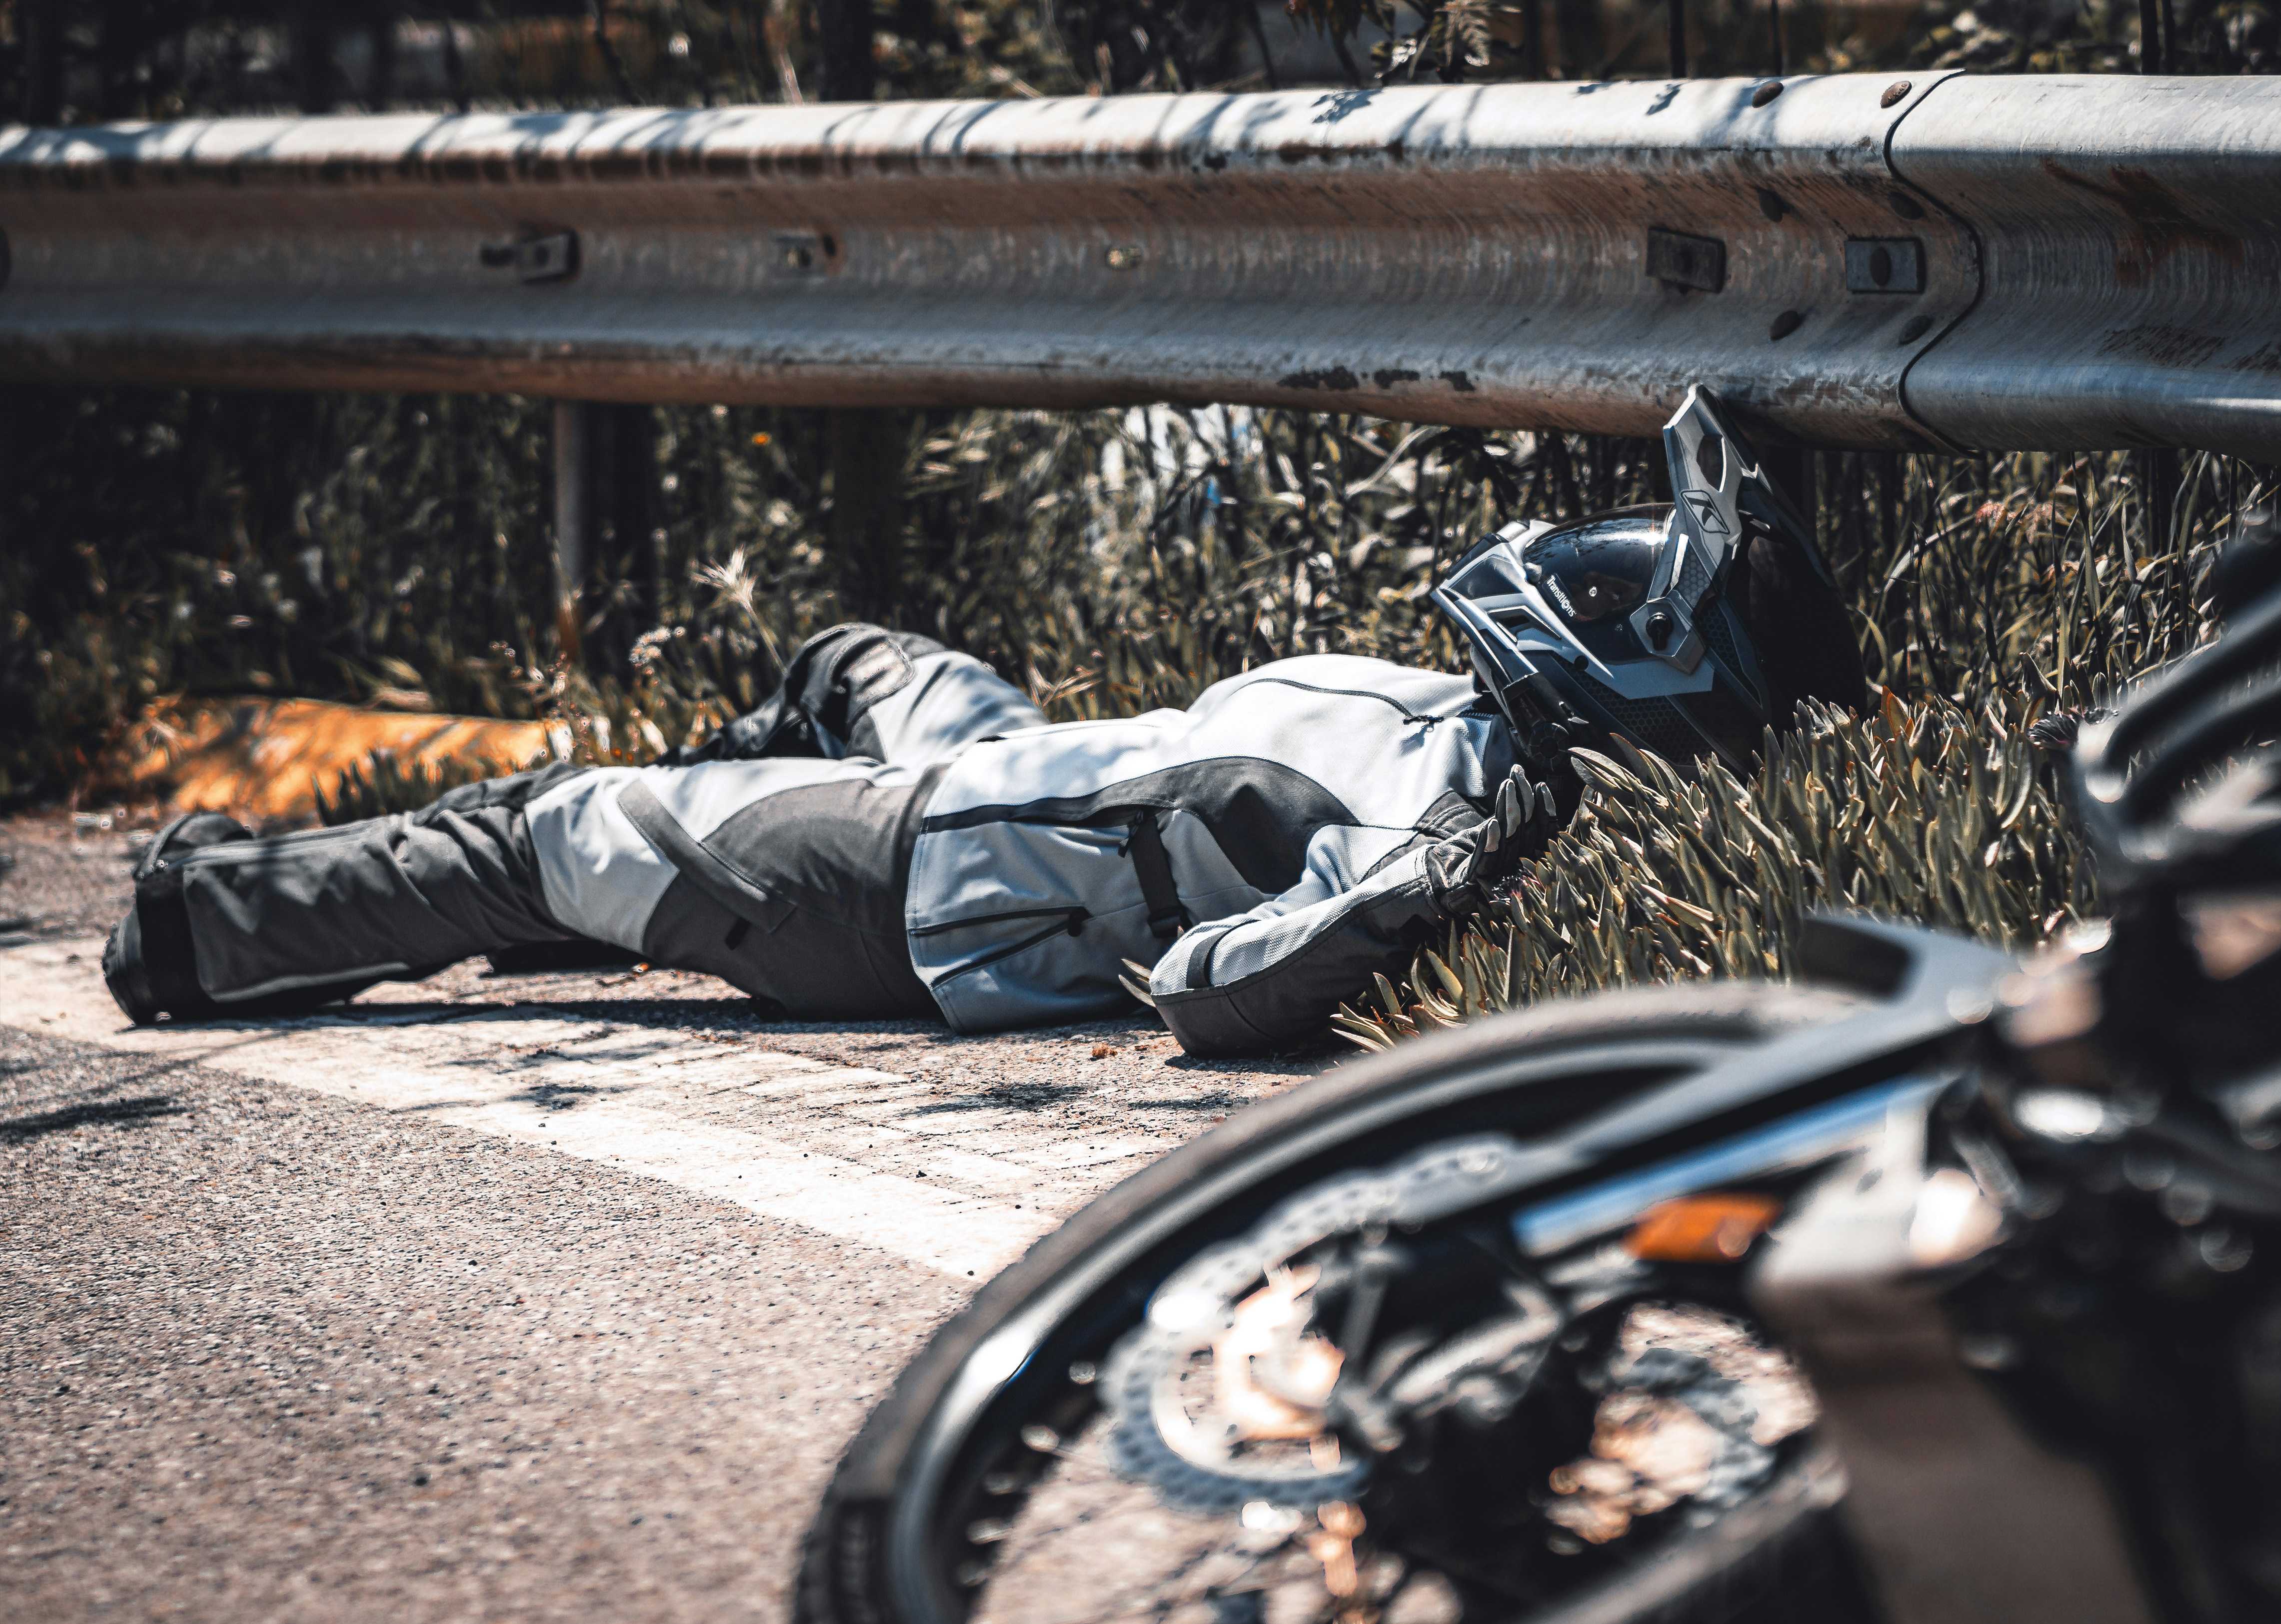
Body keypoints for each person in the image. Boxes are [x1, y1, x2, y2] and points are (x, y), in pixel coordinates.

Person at [101, 389, 1863, 1054]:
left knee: (533, 829)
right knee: (848, 656)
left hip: (905, 879)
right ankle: (646, 887)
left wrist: (1418, 898)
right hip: (999, 773)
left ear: (1618, 673)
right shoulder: (1469, 739)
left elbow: (1209, 989)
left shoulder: (1439, 832)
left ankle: (202, 927)